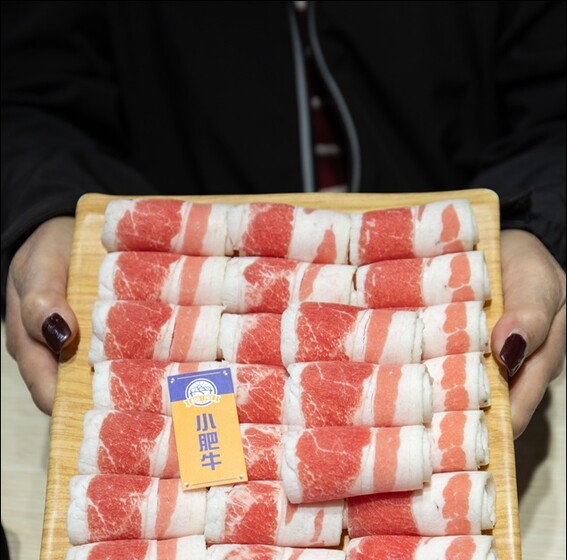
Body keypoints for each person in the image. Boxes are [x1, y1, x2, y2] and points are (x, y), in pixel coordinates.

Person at [2, 1, 565, 437]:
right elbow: (32, 92)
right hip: (189, 321)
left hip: (442, 315)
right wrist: (49, 207)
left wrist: (532, 223)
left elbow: (552, 105)